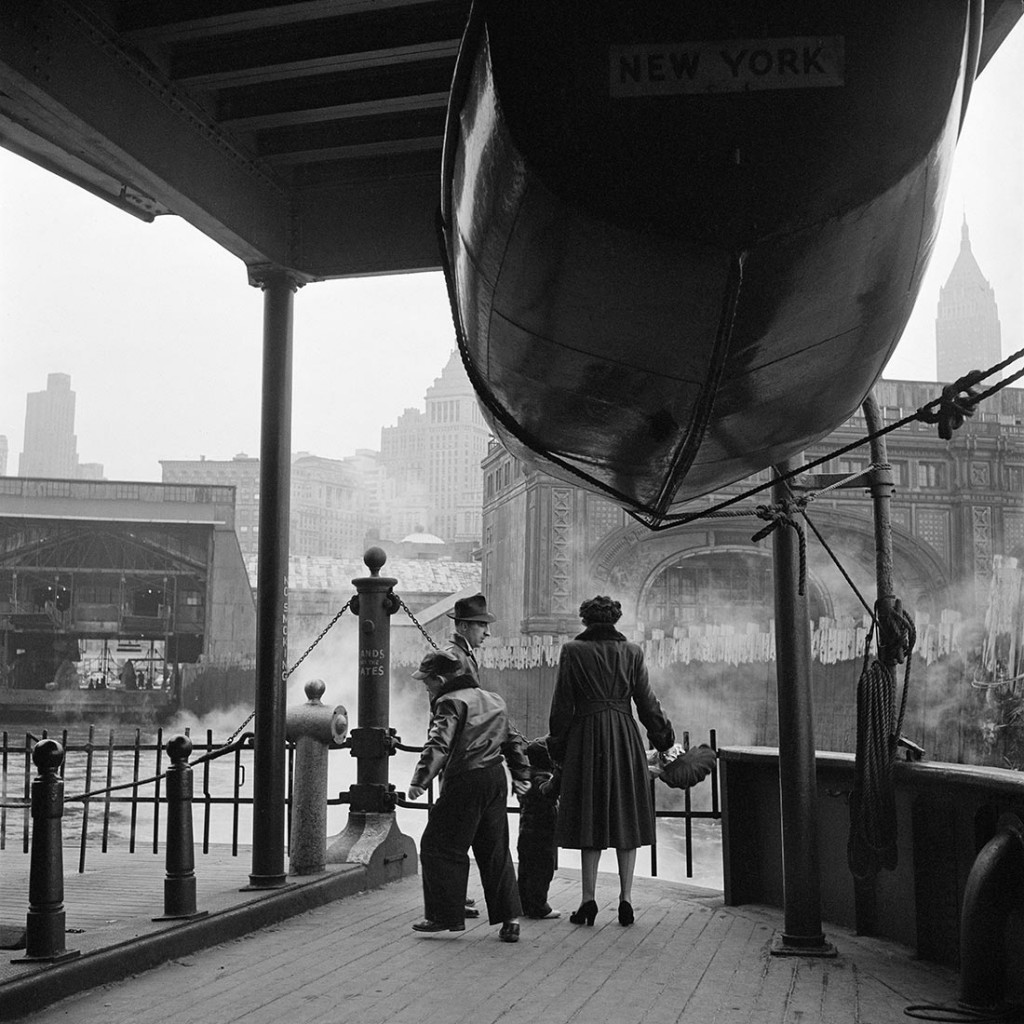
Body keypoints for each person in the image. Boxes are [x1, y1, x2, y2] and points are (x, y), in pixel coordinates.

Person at [548, 595, 675, 927]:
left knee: (590, 814)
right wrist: (663, 737)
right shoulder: (632, 652)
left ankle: (587, 900)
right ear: (615, 620)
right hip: (623, 736)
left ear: (585, 620)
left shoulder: (573, 651)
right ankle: (626, 900)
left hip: (586, 737)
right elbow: (647, 703)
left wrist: (557, 747)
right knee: (625, 814)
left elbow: (562, 705)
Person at [406, 648, 531, 943]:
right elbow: (512, 739)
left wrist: (420, 779)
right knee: (495, 850)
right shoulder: (493, 699)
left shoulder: (450, 702)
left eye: (427, 681)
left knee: (439, 846)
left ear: (439, 679)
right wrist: (521, 775)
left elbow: (440, 743)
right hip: (495, 778)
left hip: (465, 779)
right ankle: (510, 919)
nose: (425, 686)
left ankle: (443, 916)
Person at [516, 736, 561, 920]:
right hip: (542, 835)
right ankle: (539, 906)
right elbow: (548, 791)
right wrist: (560, 772)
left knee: (526, 870)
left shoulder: (527, 776)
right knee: (542, 871)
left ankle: (522, 904)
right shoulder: (541, 779)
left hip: (526, 832)